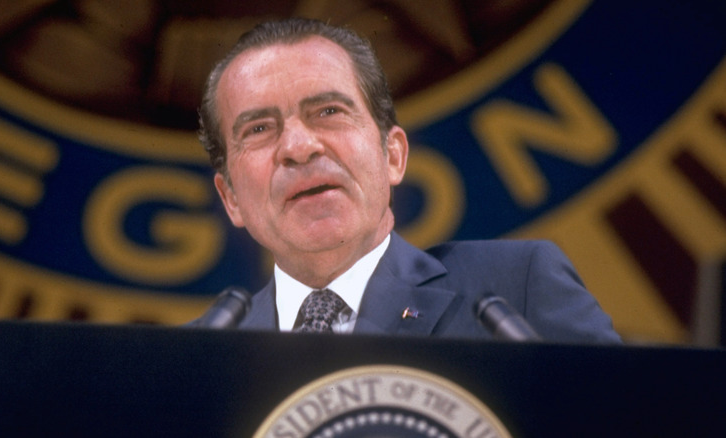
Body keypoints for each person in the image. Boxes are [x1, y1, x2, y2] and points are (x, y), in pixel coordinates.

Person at [192, 17, 621, 343]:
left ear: (392, 155)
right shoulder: (196, 357)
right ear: (230, 198)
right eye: (259, 130)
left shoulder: (514, 292)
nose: (299, 147)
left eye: (328, 112)